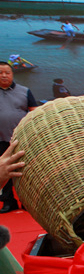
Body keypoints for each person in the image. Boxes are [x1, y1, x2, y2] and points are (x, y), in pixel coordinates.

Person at [0, 62, 36, 213]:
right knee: (4, 172)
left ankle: (27, 202)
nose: (3, 75)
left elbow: (34, 112)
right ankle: (9, 202)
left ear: (12, 74)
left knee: (25, 172)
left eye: (7, 72)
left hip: (21, 140)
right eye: (0, 72)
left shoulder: (25, 91)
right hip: (0, 140)